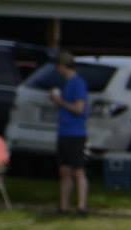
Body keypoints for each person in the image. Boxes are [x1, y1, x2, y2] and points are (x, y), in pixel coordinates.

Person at [49, 52, 91, 217]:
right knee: (64, 170)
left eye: (58, 66)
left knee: (78, 171)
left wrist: (60, 102)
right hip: (64, 132)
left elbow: (79, 108)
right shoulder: (66, 84)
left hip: (75, 133)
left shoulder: (78, 83)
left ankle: (82, 207)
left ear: (63, 66)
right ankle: (64, 206)